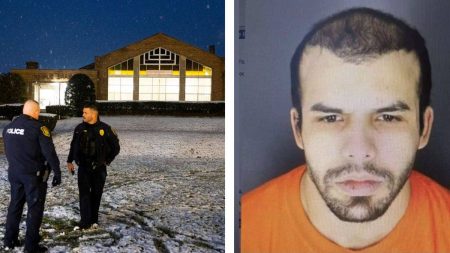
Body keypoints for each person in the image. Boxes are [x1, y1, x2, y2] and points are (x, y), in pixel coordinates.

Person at [241, 7, 450, 253]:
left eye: (388, 117)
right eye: (331, 118)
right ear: (298, 129)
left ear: (424, 128)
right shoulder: (245, 229)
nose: (359, 151)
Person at [2, 99, 61, 253]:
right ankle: (31, 246)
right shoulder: (38, 128)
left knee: (15, 206)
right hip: (33, 177)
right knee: (34, 209)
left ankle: (9, 240)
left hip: (15, 174)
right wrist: (57, 172)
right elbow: (49, 153)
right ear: (36, 111)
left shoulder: (8, 128)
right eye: (38, 111)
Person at [67, 103, 120, 230]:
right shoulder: (79, 128)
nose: (83, 115)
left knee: (96, 194)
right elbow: (73, 145)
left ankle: (94, 220)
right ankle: (85, 221)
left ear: (94, 113)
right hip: (84, 167)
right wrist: (70, 161)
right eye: (83, 112)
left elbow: (116, 147)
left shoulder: (106, 129)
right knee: (84, 194)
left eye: (85, 112)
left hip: (99, 168)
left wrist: (107, 160)